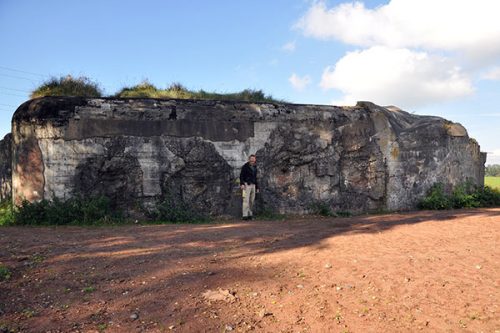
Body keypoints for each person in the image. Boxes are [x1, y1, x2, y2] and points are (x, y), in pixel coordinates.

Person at [239, 154, 259, 220]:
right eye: (251, 159)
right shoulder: (245, 166)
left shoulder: (255, 167)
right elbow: (241, 176)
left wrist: (257, 187)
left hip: (253, 185)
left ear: (255, 160)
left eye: (253, 159)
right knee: (245, 200)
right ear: (249, 159)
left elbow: (256, 178)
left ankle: (250, 215)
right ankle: (245, 216)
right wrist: (242, 184)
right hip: (246, 185)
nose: (252, 160)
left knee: (252, 201)